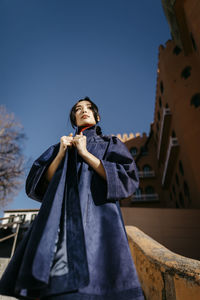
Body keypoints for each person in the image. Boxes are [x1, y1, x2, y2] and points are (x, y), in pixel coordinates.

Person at [0, 97, 144, 300]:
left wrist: (85, 154)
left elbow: (127, 178)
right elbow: (39, 185)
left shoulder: (110, 143)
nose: (83, 110)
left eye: (88, 108)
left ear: (97, 116)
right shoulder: (60, 146)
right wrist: (60, 154)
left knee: (101, 281)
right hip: (59, 219)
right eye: (78, 109)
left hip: (100, 220)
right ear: (74, 119)